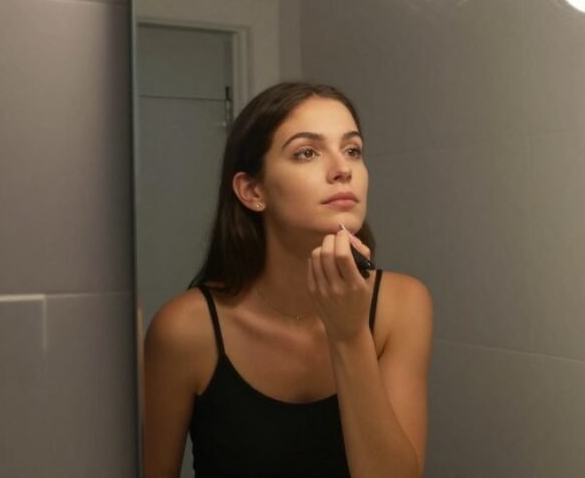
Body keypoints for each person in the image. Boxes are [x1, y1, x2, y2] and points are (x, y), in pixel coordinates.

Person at [142, 82, 433, 478]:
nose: (342, 169)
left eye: (352, 150)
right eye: (307, 152)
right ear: (252, 190)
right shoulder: (186, 329)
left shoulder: (402, 305)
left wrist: (349, 336)